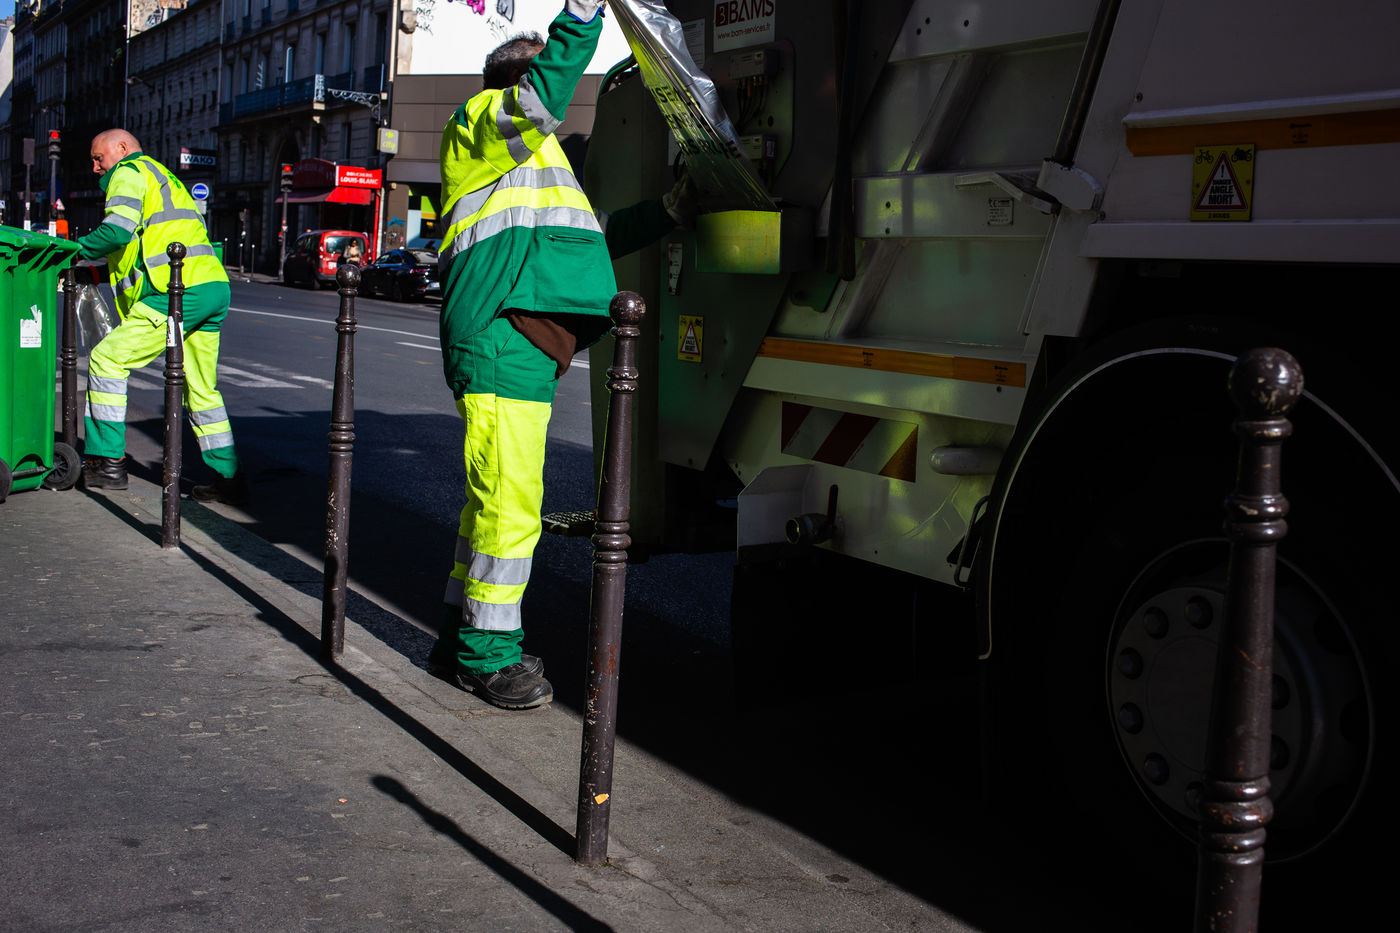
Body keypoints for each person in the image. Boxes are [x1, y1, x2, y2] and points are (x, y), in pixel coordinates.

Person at [427, 0, 690, 709]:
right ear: (518, 82)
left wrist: (668, 213)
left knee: (491, 506)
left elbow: (592, 236)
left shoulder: (535, 162)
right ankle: (489, 656)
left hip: (517, 337)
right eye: (544, 74)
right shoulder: (480, 123)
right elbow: (540, 97)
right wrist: (581, 17)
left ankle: (458, 638)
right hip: (501, 335)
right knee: (511, 507)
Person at [74, 128, 248, 504]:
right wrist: (98, 273)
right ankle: (228, 478)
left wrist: (72, 251)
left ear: (122, 148)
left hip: (177, 291)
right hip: (212, 286)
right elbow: (142, 248)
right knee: (201, 389)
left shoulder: (127, 171)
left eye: (98, 158)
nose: (95, 167)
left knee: (106, 360)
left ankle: (107, 462)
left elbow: (116, 232)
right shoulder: (163, 176)